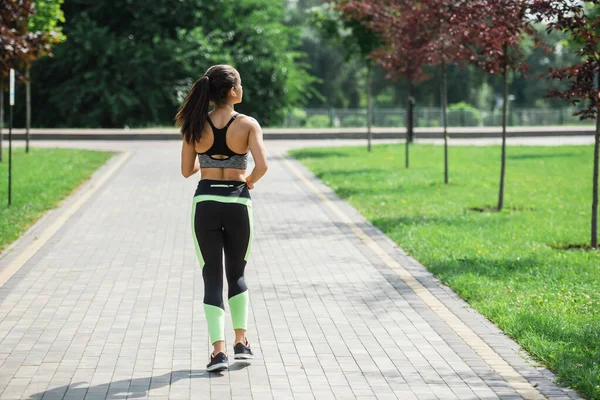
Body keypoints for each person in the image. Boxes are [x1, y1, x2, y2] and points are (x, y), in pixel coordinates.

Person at [176, 64, 268, 372]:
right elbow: (262, 166)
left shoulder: (193, 124)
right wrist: (248, 180)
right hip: (238, 202)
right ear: (231, 91)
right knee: (237, 273)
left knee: (211, 276)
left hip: (205, 203)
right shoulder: (248, 124)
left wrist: (208, 160)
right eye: (239, 85)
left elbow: (187, 171)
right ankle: (241, 342)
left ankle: (218, 352)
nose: (242, 90)